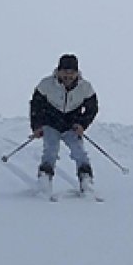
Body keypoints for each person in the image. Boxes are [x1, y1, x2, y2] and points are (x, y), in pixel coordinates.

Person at [29, 53, 98, 191]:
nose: (68, 77)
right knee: (51, 150)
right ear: (58, 71)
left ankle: (86, 179)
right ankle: (44, 178)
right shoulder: (46, 84)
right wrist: (37, 127)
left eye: (71, 74)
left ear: (77, 73)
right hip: (51, 123)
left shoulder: (85, 87)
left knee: (78, 151)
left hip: (72, 125)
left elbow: (92, 108)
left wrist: (82, 125)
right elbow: (35, 106)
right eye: (65, 74)